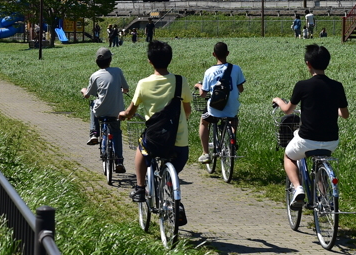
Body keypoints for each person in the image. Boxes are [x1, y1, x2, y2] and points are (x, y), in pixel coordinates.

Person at [119, 40, 192, 224]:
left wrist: (123, 115)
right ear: (170, 59)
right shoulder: (180, 81)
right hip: (179, 142)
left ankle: (140, 187)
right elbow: (188, 110)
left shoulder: (144, 84)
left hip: (154, 142)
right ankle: (173, 197)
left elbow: (131, 111)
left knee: (141, 148)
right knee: (173, 170)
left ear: (149, 61)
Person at [273, 44, 350, 210]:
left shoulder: (302, 85)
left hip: (307, 140)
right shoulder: (337, 86)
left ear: (308, 64)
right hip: (331, 141)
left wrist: (278, 101)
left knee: (289, 156)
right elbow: (345, 114)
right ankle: (324, 200)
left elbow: (287, 111)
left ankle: (298, 188)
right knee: (319, 160)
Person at [194, 42, 246, 163]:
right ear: (227, 53)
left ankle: (206, 153)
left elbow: (203, 94)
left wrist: (198, 85)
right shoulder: (236, 69)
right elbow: (241, 89)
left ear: (214, 54)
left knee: (204, 121)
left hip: (215, 108)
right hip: (232, 107)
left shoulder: (209, 71)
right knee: (233, 118)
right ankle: (232, 142)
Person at [82, 47, 129, 173]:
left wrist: (83, 90)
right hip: (116, 112)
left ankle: (94, 133)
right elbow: (126, 88)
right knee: (117, 133)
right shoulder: (118, 72)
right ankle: (119, 160)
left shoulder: (95, 76)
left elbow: (88, 94)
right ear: (110, 60)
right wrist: (121, 90)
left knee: (93, 104)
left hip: (101, 112)